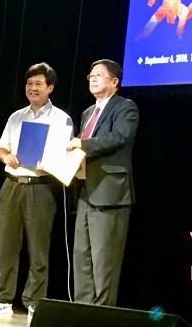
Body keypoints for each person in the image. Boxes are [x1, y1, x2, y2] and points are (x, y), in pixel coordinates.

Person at [0, 62, 72, 318]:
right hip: (12, 184)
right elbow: (2, 148)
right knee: (7, 246)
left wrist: (49, 163)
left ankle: (34, 303)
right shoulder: (16, 117)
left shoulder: (61, 119)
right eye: (29, 84)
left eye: (38, 84)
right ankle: (2, 300)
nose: (33, 88)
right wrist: (6, 157)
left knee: (38, 249)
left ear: (50, 88)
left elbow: (66, 154)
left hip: (40, 187)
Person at [67, 59, 139, 306]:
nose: (93, 79)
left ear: (114, 81)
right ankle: (82, 311)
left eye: (98, 75)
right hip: (85, 191)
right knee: (82, 258)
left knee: (104, 261)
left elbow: (119, 137)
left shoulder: (125, 107)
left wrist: (82, 144)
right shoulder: (88, 112)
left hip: (110, 194)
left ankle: (101, 314)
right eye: (90, 76)